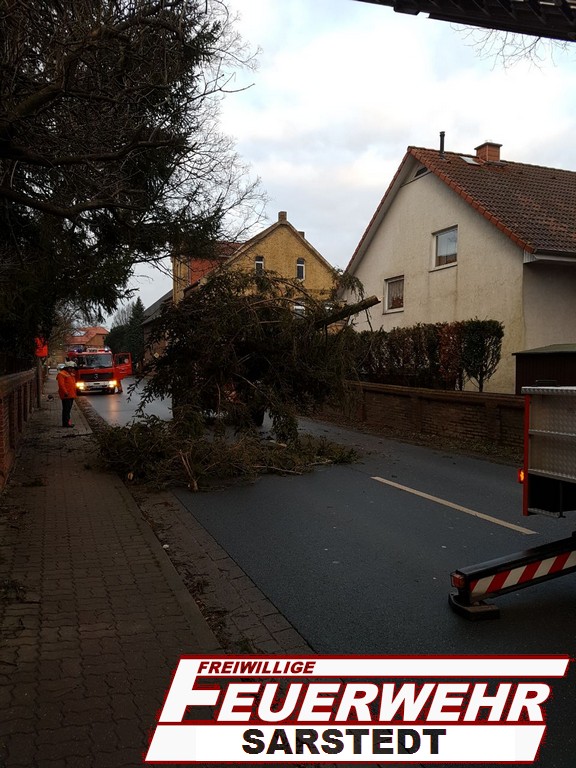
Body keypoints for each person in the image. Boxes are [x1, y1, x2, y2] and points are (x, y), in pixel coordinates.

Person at [56, 361, 77, 428]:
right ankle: (66, 423)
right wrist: (66, 392)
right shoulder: (62, 374)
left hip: (70, 394)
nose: (73, 369)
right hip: (66, 395)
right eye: (72, 368)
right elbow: (61, 385)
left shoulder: (70, 374)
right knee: (66, 409)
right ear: (68, 368)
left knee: (68, 409)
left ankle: (67, 422)